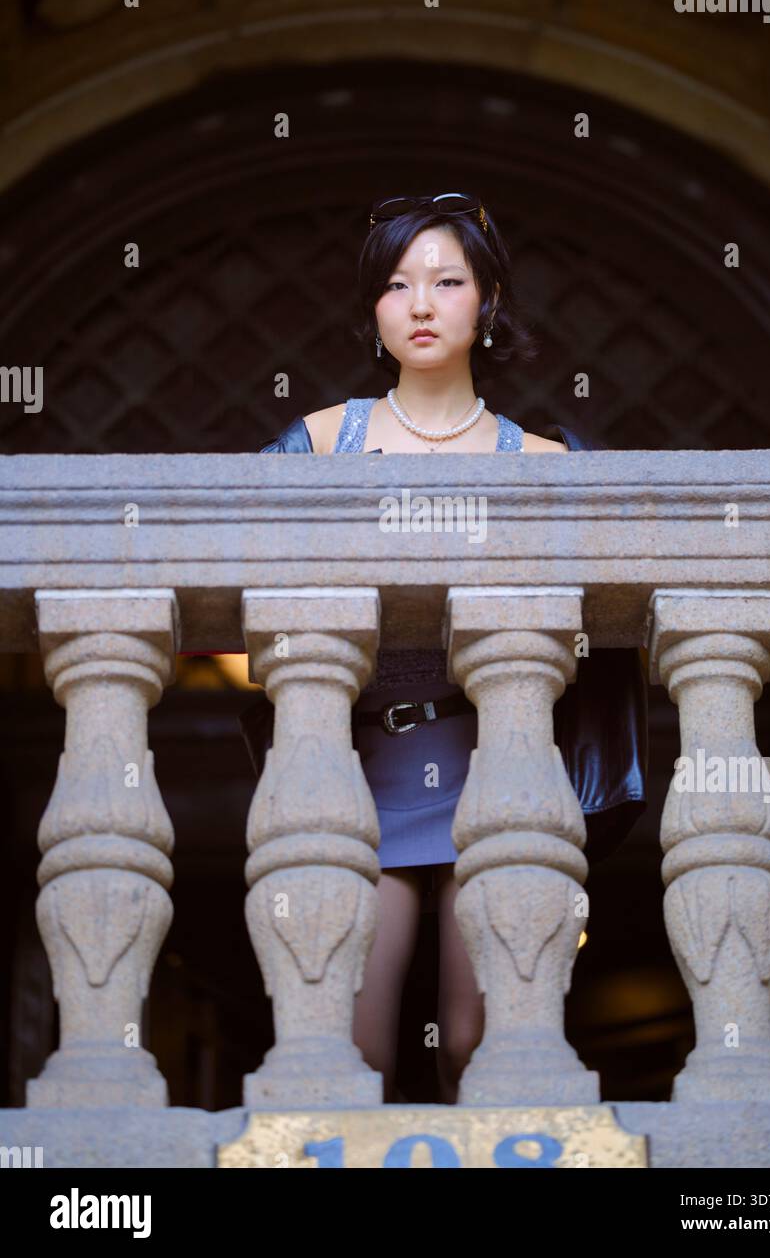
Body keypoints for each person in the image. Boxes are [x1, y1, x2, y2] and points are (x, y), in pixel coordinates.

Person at [241, 193, 648, 1104]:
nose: (420, 303)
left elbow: (596, 630)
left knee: (479, 1044)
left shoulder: (544, 459)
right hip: (359, 776)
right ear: (372, 309)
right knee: (352, 1048)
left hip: (495, 773)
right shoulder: (317, 442)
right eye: (395, 284)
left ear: (488, 303)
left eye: (447, 281)